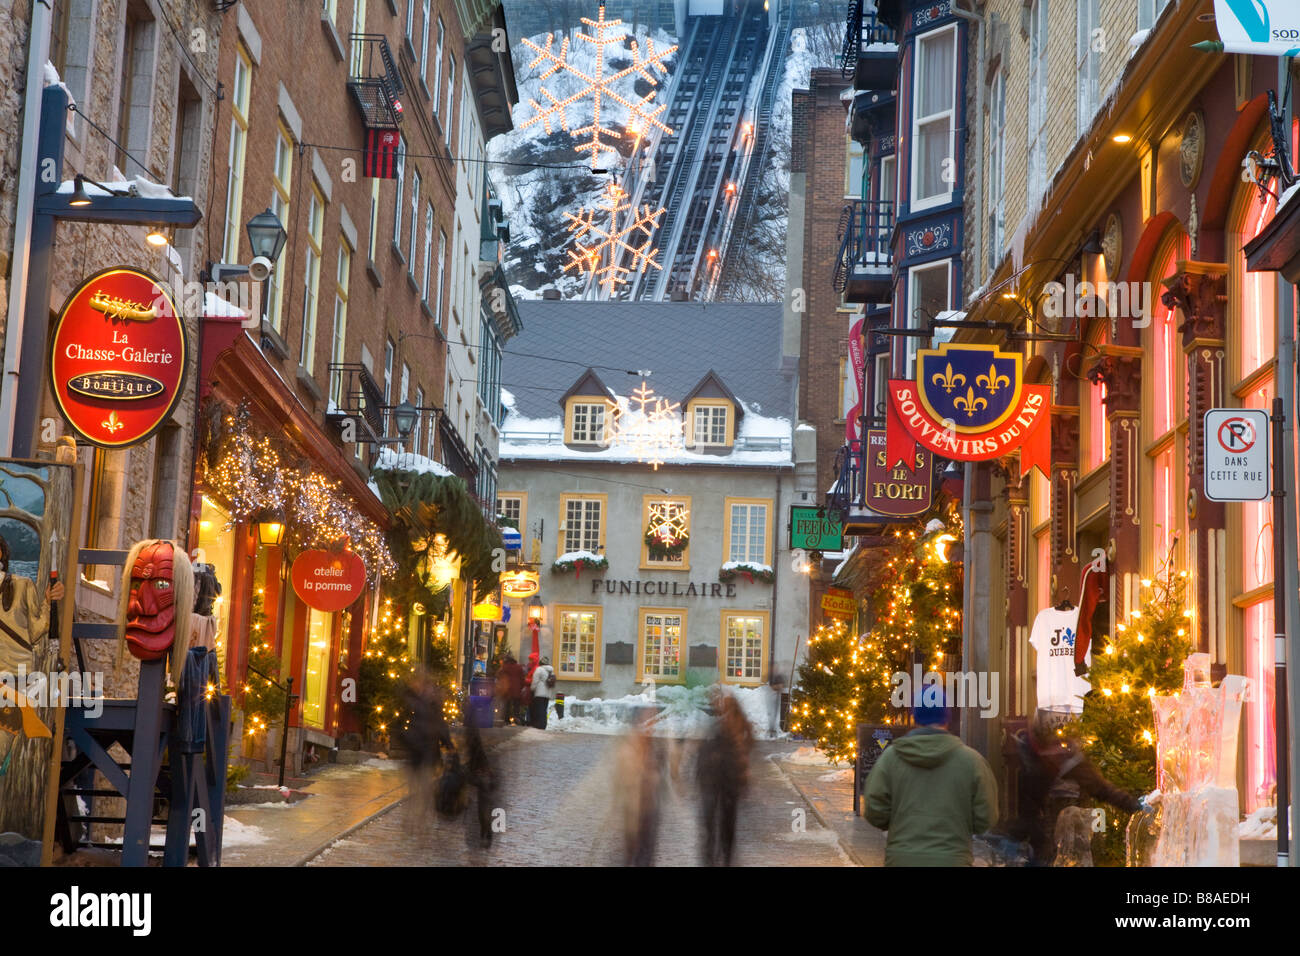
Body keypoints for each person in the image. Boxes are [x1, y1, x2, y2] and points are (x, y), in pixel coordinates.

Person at [863, 691, 998, 866]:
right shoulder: (972, 761)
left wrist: (897, 822)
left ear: (915, 718)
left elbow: (874, 810)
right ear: (947, 718)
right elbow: (985, 817)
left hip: (902, 859)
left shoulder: (891, 758)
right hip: (953, 859)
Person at [1015, 708, 1142, 866]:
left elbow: (1101, 788)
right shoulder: (1027, 752)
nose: (1053, 753)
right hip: (1032, 821)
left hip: (1045, 818)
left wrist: (1134, 805)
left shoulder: (1067, 759)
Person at [696, 692, 754, 865]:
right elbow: (703, 754)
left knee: (723, 826)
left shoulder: (732, 729)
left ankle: (719, 858)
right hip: (715, 782)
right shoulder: (717, 726)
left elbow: (742, 754)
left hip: (726, 783)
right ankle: (712, 859)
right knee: (714, 826)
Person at [496, 653, 525, 726]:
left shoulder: (504, 667)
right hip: (516, 691)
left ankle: (506, 720)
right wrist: (520, 688)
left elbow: (498, 676)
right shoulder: (519, 667)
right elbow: (522, 680)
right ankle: (516, 720)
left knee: (506, 706)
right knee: (516, 707)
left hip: (507, 690)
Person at [529, 655, 556, 729]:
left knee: (538, 710)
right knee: (544, 710)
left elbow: (535, 681)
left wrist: (532, 689)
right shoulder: (551, 671)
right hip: (547, 694)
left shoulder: (539, 670)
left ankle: (538, 725)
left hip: (539, 694)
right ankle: (543, 725)